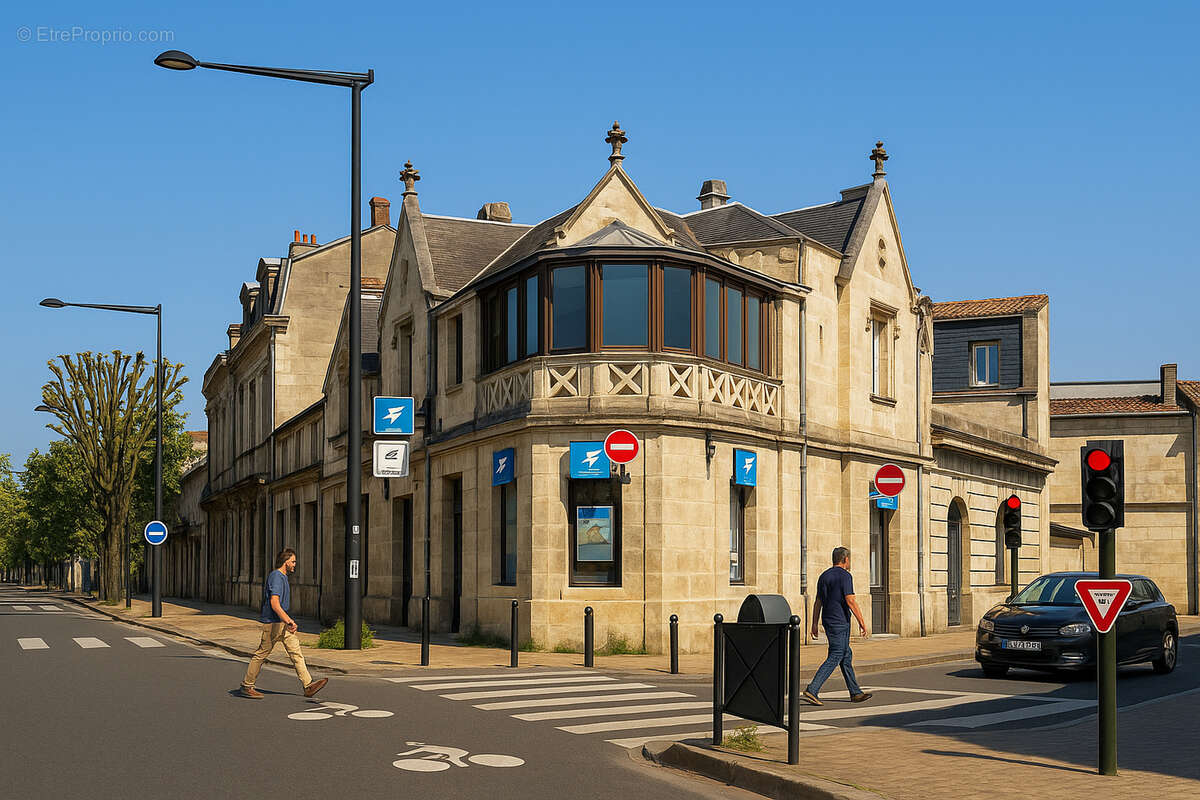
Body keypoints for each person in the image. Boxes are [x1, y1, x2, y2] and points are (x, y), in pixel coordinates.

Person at [240, 548, 327, 699]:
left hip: (282, 623)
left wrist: (286, 621)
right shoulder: (276, 577)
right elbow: (275, 603)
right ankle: (247, 685)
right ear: (286, 562)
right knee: (261, 653)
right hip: (274, 623)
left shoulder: (283, 577)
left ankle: (308, 685)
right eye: (293, 561)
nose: (295, 564)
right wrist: (289, 620)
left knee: (296, 653)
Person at [802, 546, 872, 705]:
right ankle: (813, 689)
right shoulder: (845, 576)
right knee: (836, 654)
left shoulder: (824, 576)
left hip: (828, 621)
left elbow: (818, 602)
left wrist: (814, 623)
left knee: (845, 655)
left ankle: (855, 692)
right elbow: (850, 600)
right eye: (849, 559)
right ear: (845, 559)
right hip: (840, 622)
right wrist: (862, 622)